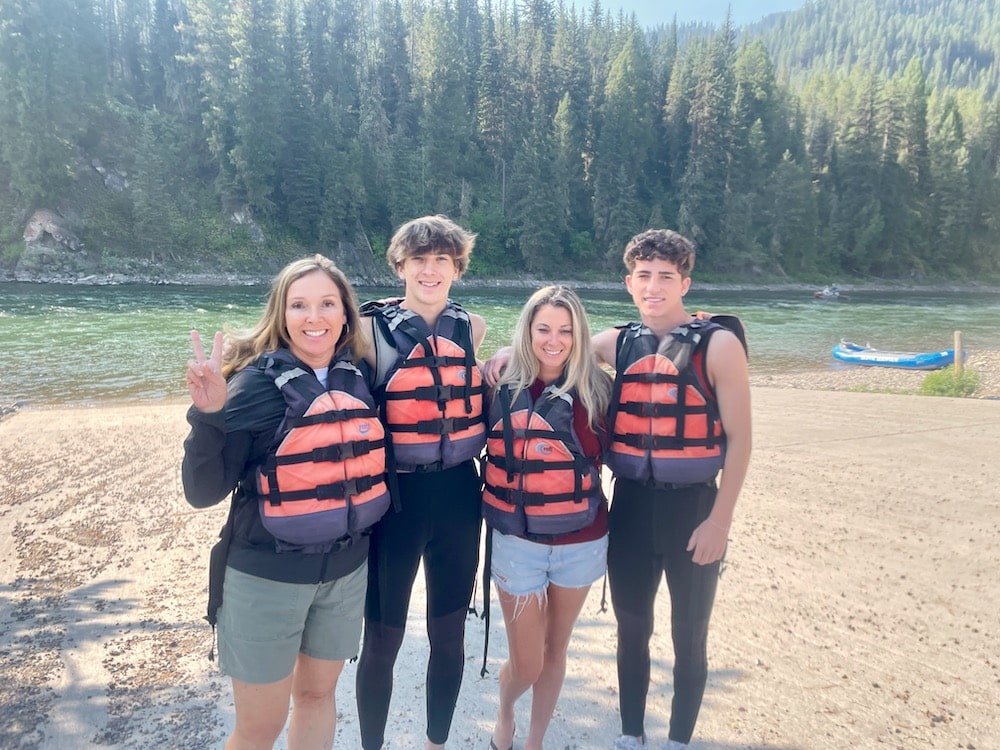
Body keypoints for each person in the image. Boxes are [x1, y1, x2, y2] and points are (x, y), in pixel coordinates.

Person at [182, 254, 389, 750]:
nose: (313, 317)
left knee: (318, 699)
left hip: (344, 572)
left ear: (345, 315)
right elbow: (202, 492)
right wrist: (208, 414)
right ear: (281, 314)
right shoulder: (254, 384)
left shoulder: (359, 376)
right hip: (265, 578)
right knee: (259, 729)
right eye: (299, 305)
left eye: (326, 304)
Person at [593, 229, 751, 750]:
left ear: (685, 281)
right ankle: (631, 734)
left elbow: (741, 440)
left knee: (689, 634)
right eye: (644, 276)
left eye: (666, 276)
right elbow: (558, 346)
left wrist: (720, 521)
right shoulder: (618, 341)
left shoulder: (720, 346)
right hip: (632, 508)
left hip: (694, 510)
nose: (654, 286)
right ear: (629, 282)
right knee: (631, 629)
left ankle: (679, 740)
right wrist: (507, 352)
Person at [354, 214, 487, 750]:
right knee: (383, 639)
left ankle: (436, 742)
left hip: (459, 495)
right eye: (419, 260)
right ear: (400, 266)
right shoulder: (368, 331)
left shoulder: (472, 328)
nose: (430, 271)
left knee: (449, 635)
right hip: (396, 502)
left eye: (442, 261)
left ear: (456, 267)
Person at [482, 286, 612, 750]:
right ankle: (505, 710)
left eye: (565, 330)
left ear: (579, 334)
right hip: (518, 544)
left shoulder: (598, 389)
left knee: (556, 650)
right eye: (543, 329)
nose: (554, 340)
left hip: (582, 542)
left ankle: (533, 741)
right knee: (528, 662)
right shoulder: (497, 382)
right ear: (527, 331)